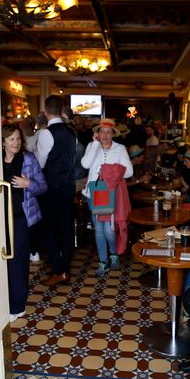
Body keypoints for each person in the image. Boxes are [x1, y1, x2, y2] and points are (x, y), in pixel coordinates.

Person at [2, 125, 47, 321]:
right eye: (11, 139)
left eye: (18, 139)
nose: (16, 143)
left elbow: (43, 187)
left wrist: (28, 184)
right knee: (3, 260)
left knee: (17, 261)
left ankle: (17, 305)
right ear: (3, 142)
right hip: (0, 216)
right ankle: (3, 302)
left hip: (21, 217)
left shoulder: (28, 159)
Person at [81, 118, 133, 276]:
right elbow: (85, 164)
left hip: (112, 194)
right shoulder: (92, 146)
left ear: (113, 134)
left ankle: (114, 253)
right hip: (94, 192)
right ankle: (103, 262)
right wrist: (95, 145)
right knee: (99, 230)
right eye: (102, 131)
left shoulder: (120, 149)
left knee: (110, 231)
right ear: (97, 133)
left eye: (108, 131)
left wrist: (110, 171)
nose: (105, 134)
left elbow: (129, 172)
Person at [39, 95, 77, 286]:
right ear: (61, 110)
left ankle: (58, 270)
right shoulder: (71, 133)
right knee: (66, 229)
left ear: (45, 111)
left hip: (51, 188)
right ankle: (66, 270)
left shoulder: (46, 133)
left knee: (48, 231)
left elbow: (41, 163)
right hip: (68, 187)